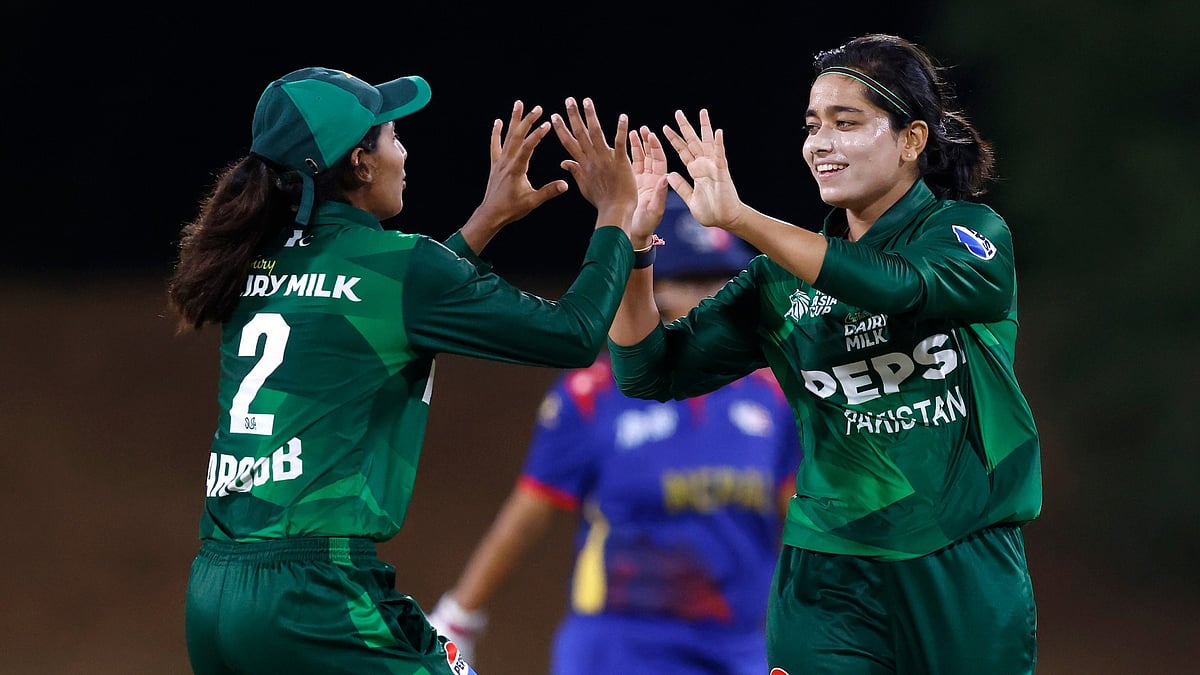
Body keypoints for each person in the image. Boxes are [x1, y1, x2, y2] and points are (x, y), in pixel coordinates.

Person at [167, 66, 650, 675]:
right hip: (317, 596)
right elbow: (574, 335)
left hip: (215, 592)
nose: (404, 152)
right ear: (361, 164)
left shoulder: (252, 264)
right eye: (392, 136)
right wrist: (616, 211)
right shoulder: (402, 268)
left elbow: (376, 304)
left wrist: (486, 220)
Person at [609, 34, 1042, 674]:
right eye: (813, 126)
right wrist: (634, 249)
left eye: (847, 123)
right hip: (827, 579)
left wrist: (742, 219)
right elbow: (648, 371)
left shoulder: (970, 234)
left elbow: (899, 286)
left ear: (912, 140)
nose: (820, 144)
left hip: (962, 565)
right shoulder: (778, 282)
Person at [426, 191, 803, 674]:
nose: (716, 296)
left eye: (724, 280)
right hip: (618, 646)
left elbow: (798, 520)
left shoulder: (774, 393)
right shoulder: (593, 394)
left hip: (739, 647)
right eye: (692, 280)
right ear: (651, 288)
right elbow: (531, 510)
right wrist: (460, 614)